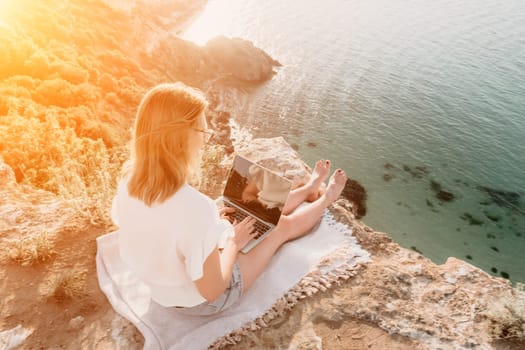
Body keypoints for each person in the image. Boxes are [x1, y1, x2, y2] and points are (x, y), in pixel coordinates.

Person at [111, 82, 347, 316]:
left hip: (161, 292)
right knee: (278, 227)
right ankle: (326, 198)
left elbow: (166, 228)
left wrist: (213, 229)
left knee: (253, 209)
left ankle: (308, 189)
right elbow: (213, 290)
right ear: (179, 138)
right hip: (200, 302)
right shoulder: (195, 208)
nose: (206, 140)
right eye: (203, 132)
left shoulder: (128, 178)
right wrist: (232, 243)